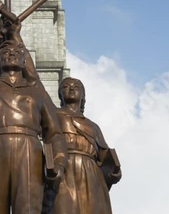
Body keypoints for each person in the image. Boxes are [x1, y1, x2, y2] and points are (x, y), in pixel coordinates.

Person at [0, 0, 67, 214]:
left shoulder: (37, 92)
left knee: (28, 208)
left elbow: (54, 133)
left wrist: (58, 162)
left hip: (29, 150)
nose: (10, 53)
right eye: (4, 52)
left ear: (24, 61)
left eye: (17, 52)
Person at [52, 77, 121, 214]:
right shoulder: (53, 115)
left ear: (83, 97)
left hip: (91, 173)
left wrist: (114, 170)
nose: (71, 88)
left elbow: (103, 154)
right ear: (60, 95)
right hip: (65, 166)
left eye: (76, 87)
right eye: (66, 87)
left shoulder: (93, 126)